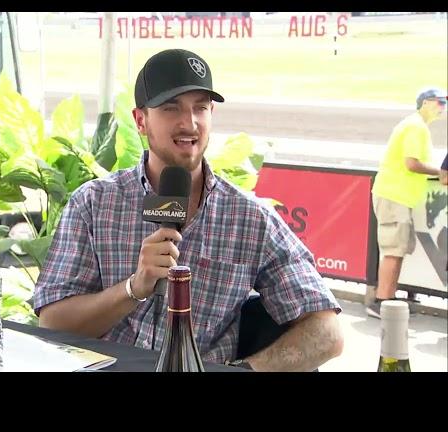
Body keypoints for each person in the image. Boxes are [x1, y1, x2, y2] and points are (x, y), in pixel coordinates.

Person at [33, 49, 343, 371]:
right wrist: (133, 288)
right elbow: (52, 324)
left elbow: (326, 333)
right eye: (171, 108)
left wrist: (239, 371)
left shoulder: (251, 219)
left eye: (200, 108)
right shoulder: (94, 204)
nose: (189, 123)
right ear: (141, 121)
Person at [367, 88, 446, 318]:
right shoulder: (415, 127)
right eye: (439, 102)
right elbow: (411, 163)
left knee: (397, 249)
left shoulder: (416, 126)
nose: (442, 107)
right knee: (393, 250)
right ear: (425, 103)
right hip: (394, 196)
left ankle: (388, 298)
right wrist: (441, 172)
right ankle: (381, 301)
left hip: (397, 196)